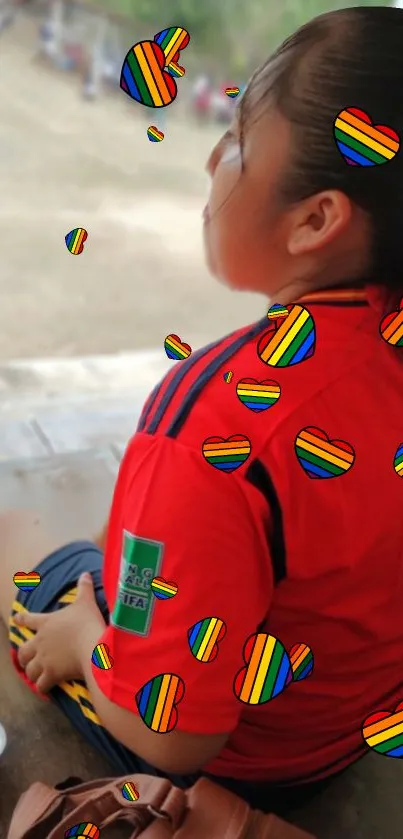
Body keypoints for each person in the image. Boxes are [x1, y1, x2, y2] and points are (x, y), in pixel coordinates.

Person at [1, 4, 403, 818]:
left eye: (240, 143)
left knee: (17, 536)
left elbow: (175, 734)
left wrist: (85, 642)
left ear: (316, 219)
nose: (215, 158)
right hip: (348, 717)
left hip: (252, 754)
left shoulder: (211, 426)